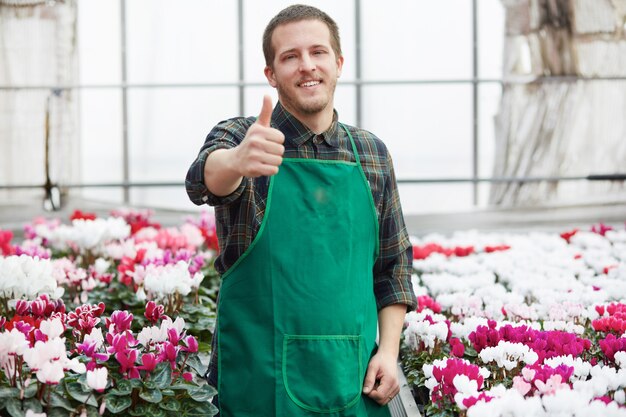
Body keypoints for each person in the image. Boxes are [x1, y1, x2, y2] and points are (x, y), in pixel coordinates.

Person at [185, 4, 416, 416]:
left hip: (354, 379)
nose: (306, 66)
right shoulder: (244, 136)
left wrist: (390, 352)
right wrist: (237, 161)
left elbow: (393, 267)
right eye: (290, 57)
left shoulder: (371, 153)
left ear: (339, 63)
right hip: (260, 377)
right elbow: (203, 179)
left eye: (318, 52)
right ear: (271, 74)